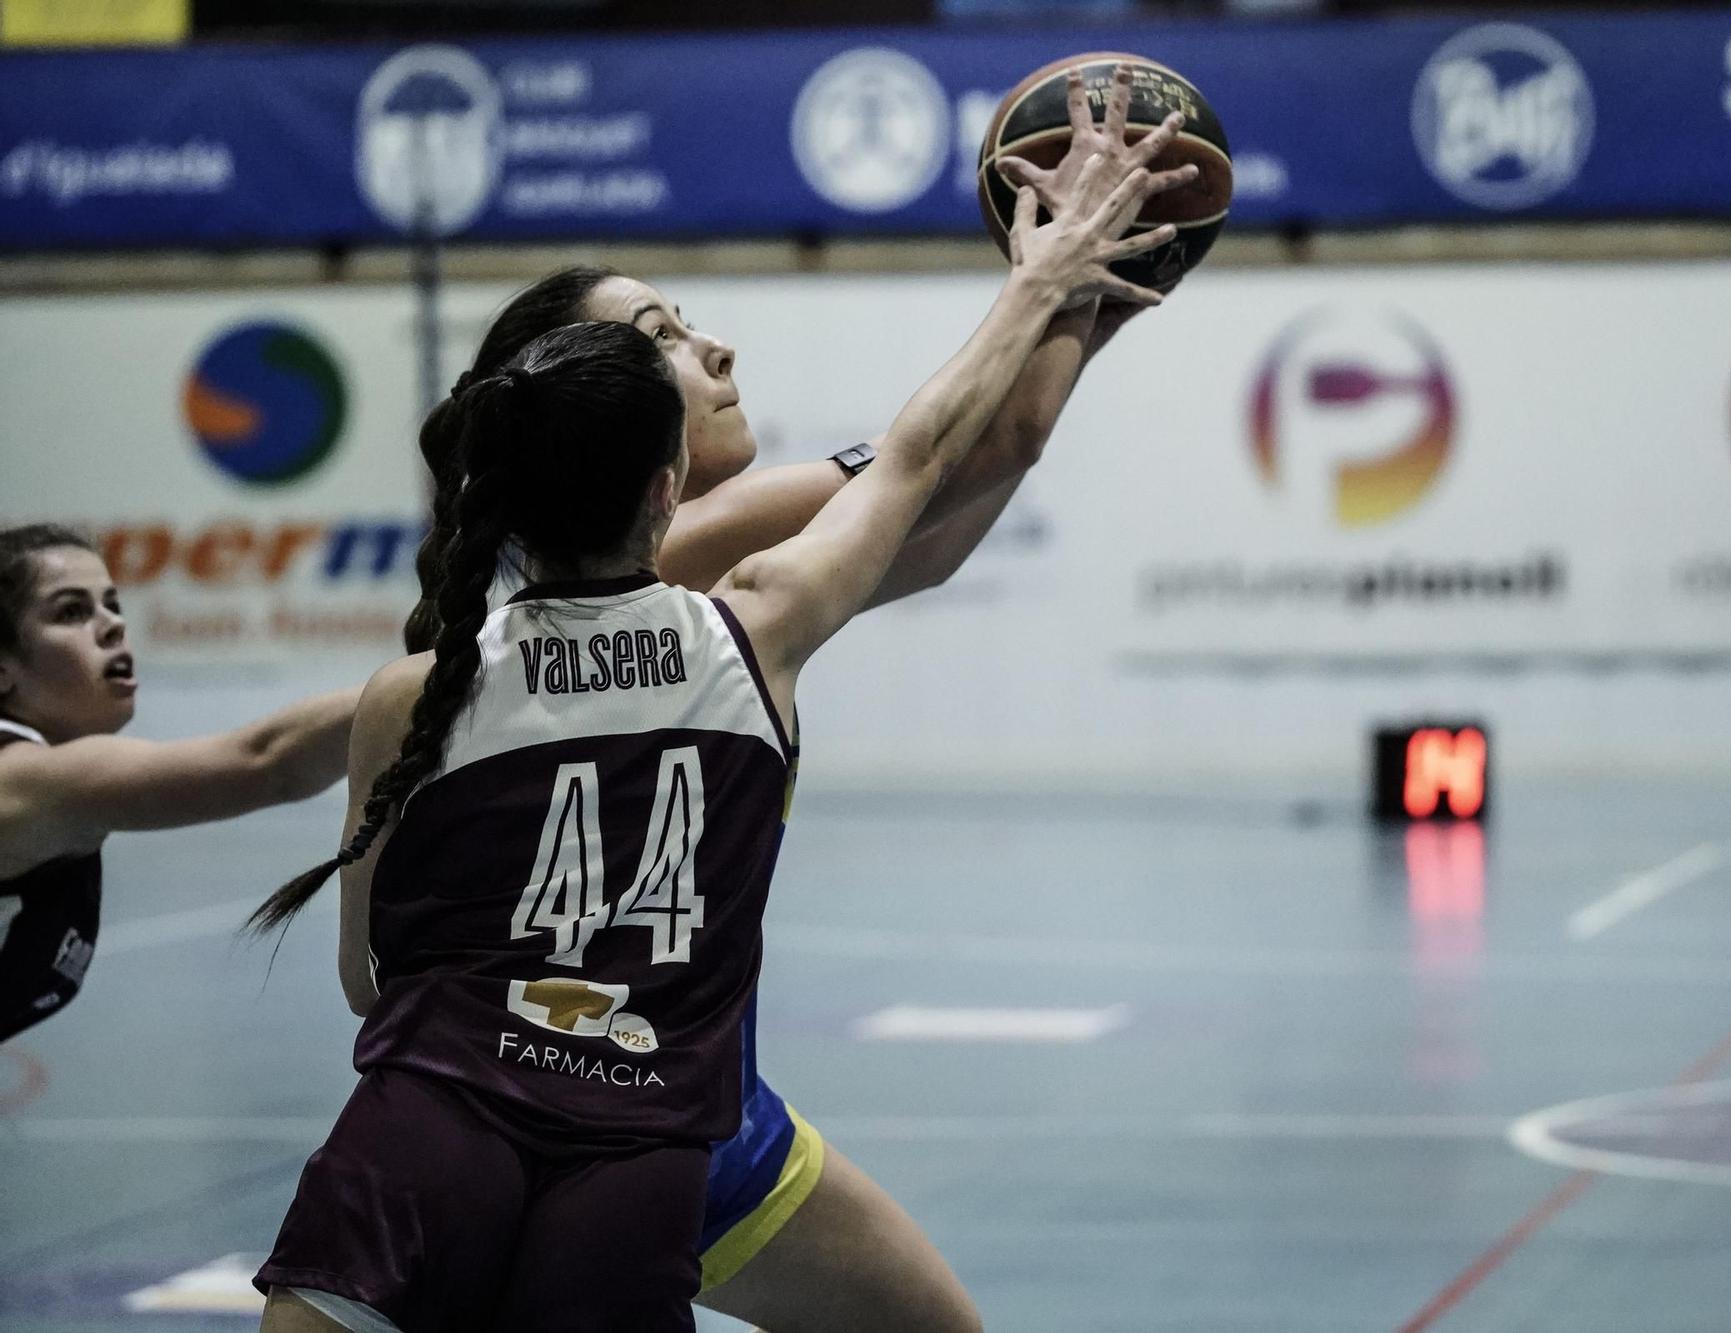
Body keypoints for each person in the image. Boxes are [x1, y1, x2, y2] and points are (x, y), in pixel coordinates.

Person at [247, 158, 1173, 1332]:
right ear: (652, 467)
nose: (712, 349)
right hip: (653, 1109)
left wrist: (1073, 297)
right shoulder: (719, 580)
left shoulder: (434, 672)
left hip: (526, 1103)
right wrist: (1054, 275)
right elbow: (934, 457)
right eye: (658, 338)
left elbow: (361, 981)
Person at [0, 524, 356, 1045]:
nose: (113, 627)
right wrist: (441, 677)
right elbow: (267, 762)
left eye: (112, 605)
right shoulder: (24, 783)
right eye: (71, 612)